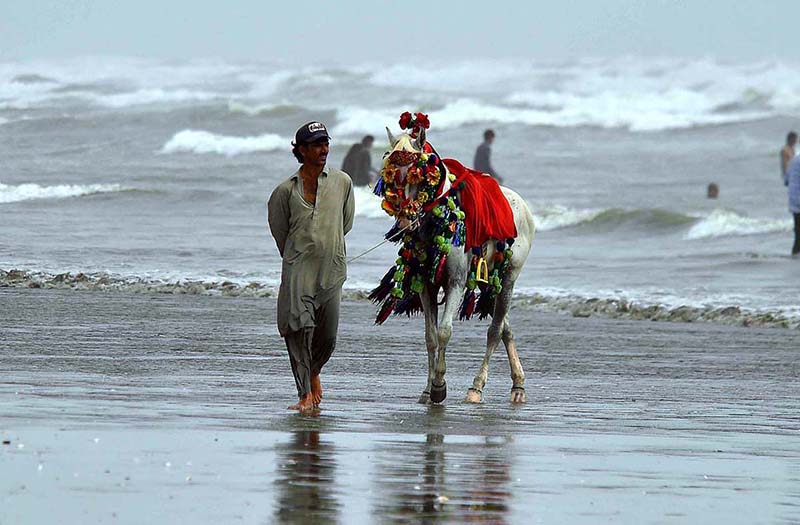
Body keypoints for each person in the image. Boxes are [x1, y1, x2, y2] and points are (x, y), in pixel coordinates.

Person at [268, 121, 355, 412]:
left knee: (327, 336)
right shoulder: (284, 191)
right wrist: (298, 258)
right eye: (317, 145)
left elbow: (346, 224)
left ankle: (314, 370)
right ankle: (304, 393)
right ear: (302, 150)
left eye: (326, 143)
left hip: (331, 269)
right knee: (298, 330)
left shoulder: (342, 182)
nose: (324, 150)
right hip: (298, 271)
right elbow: (281, 232)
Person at [786, 154, 800, 257]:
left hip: (794, 203)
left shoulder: (794, 160)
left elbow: (786, 180)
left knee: (798, 236)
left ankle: (795, 258)